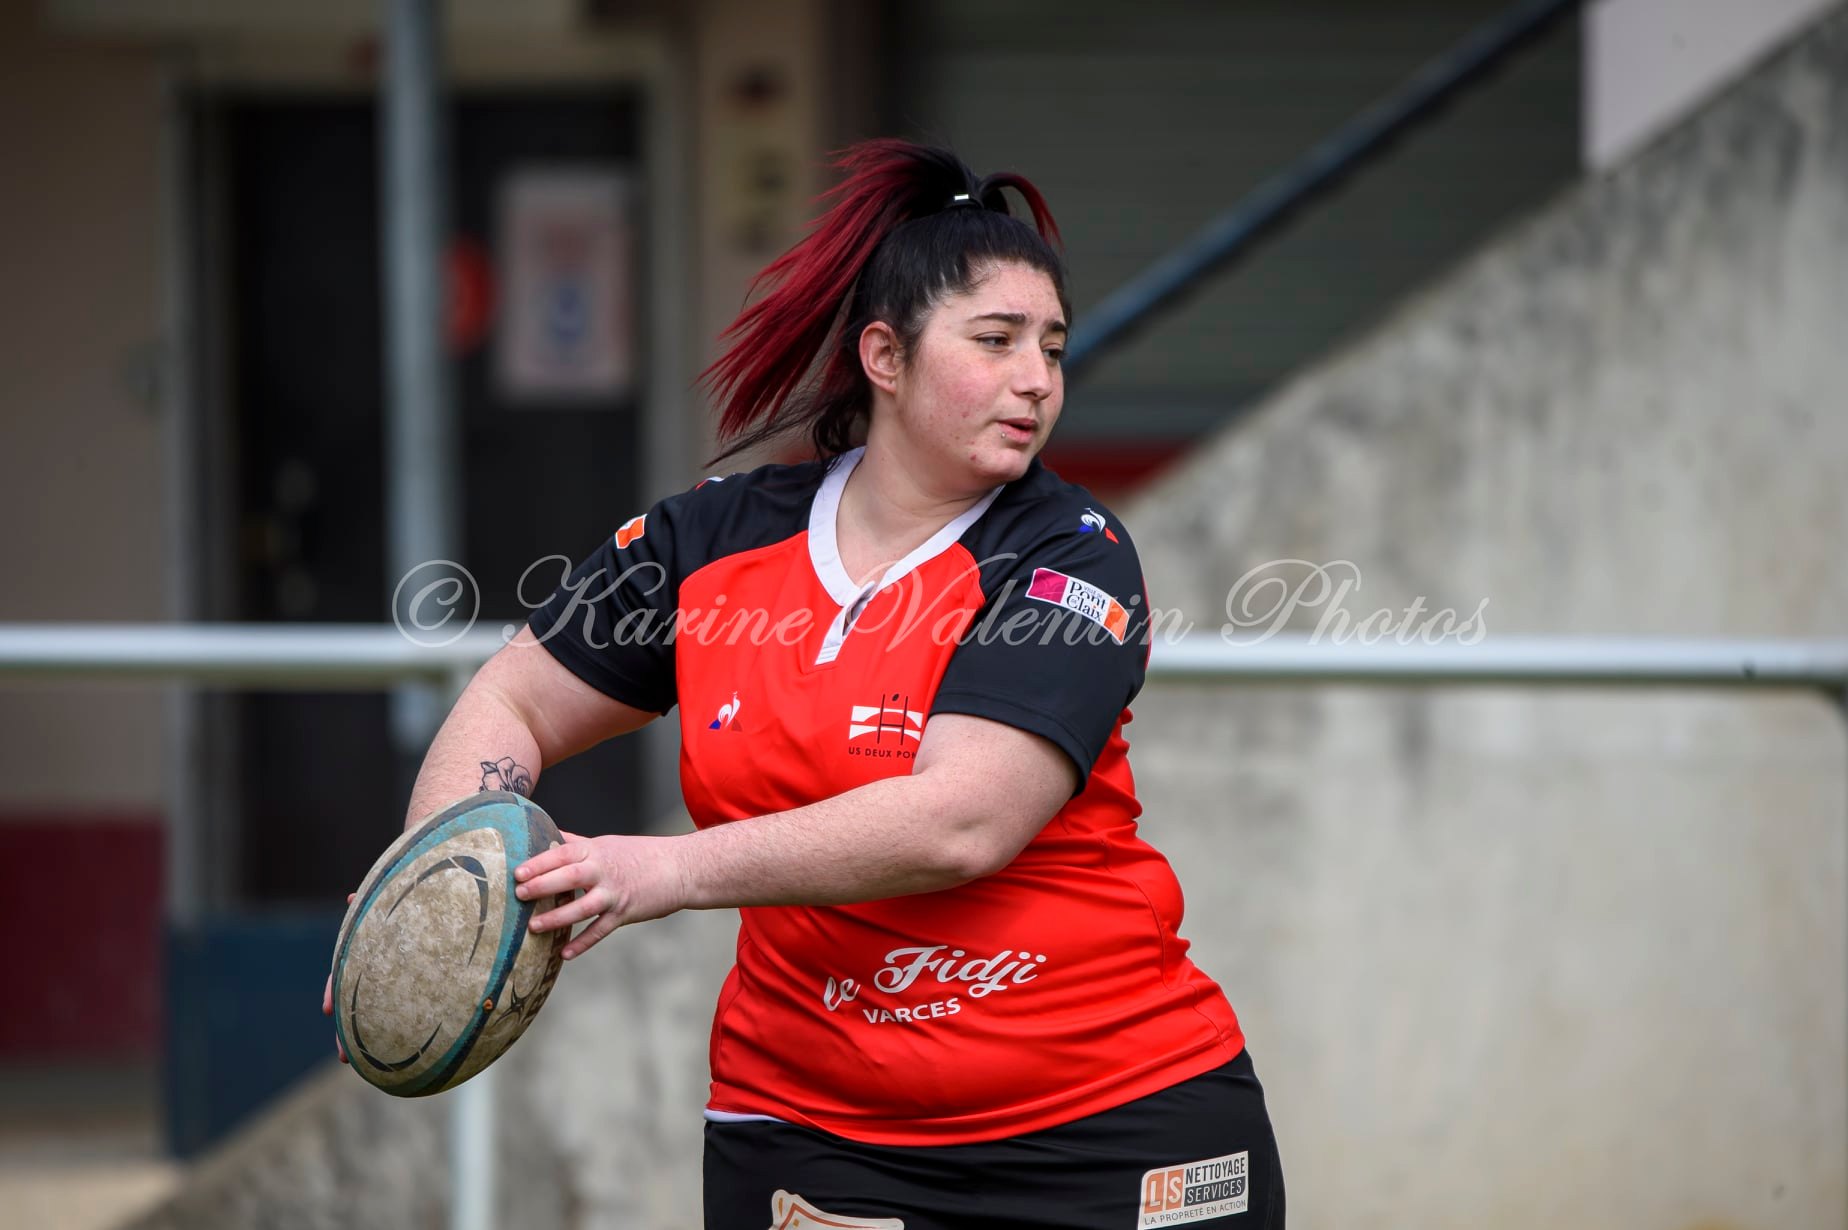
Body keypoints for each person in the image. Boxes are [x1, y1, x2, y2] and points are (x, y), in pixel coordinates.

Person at [332, 140, 1283, 1229]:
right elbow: (511, 701)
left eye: (1053, 349)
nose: (1038, 379)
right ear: (886, 355)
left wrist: (669, 870)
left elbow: (962, 821)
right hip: (814, 1133)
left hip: (1116, 1117)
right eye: (997, 340)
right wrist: (436, 885)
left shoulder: (1071, 552)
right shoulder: (708, 543)